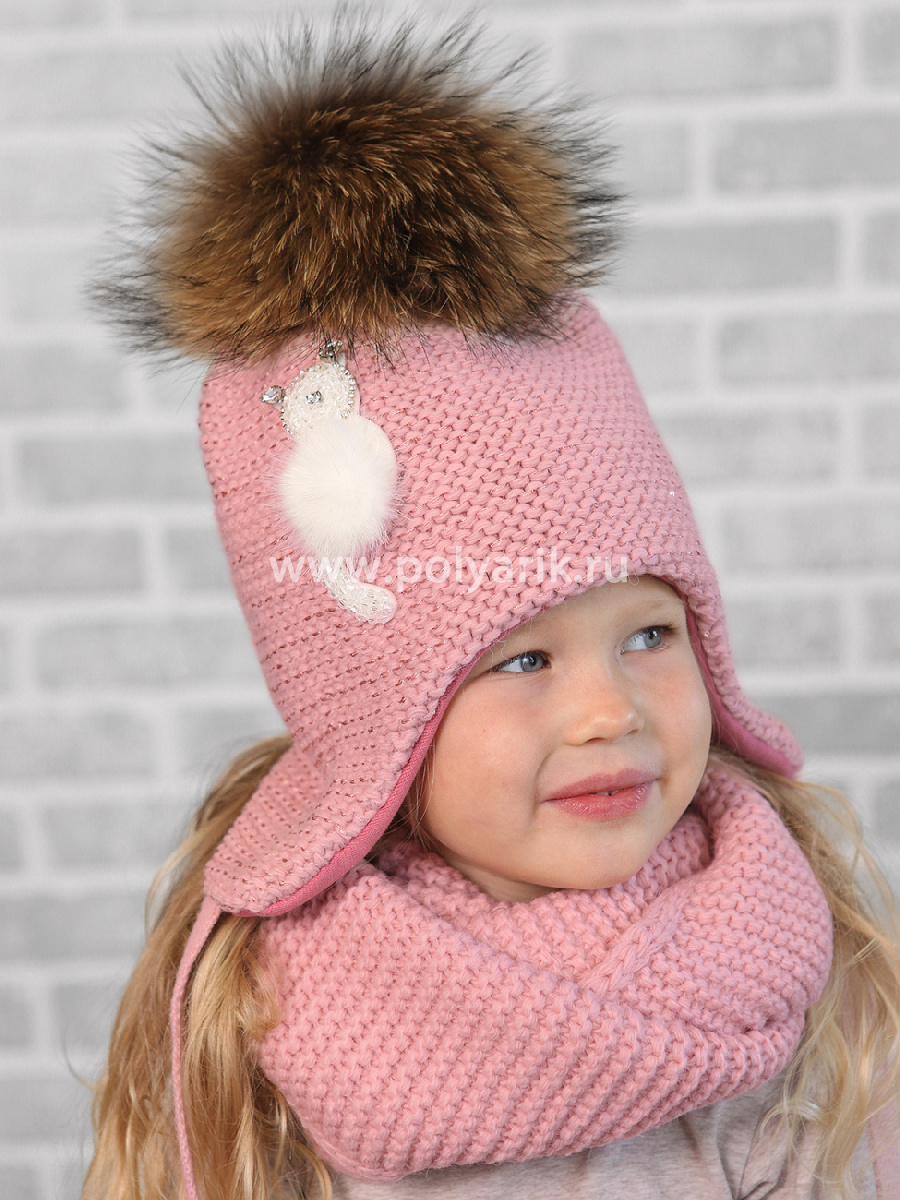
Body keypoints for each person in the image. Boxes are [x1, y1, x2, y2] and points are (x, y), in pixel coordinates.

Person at [81, 13, 900, 1200]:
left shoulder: (790, 970)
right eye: (521, 661)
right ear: (377, 726)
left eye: (650, 633)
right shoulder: (271, 1014)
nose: (610, 711)